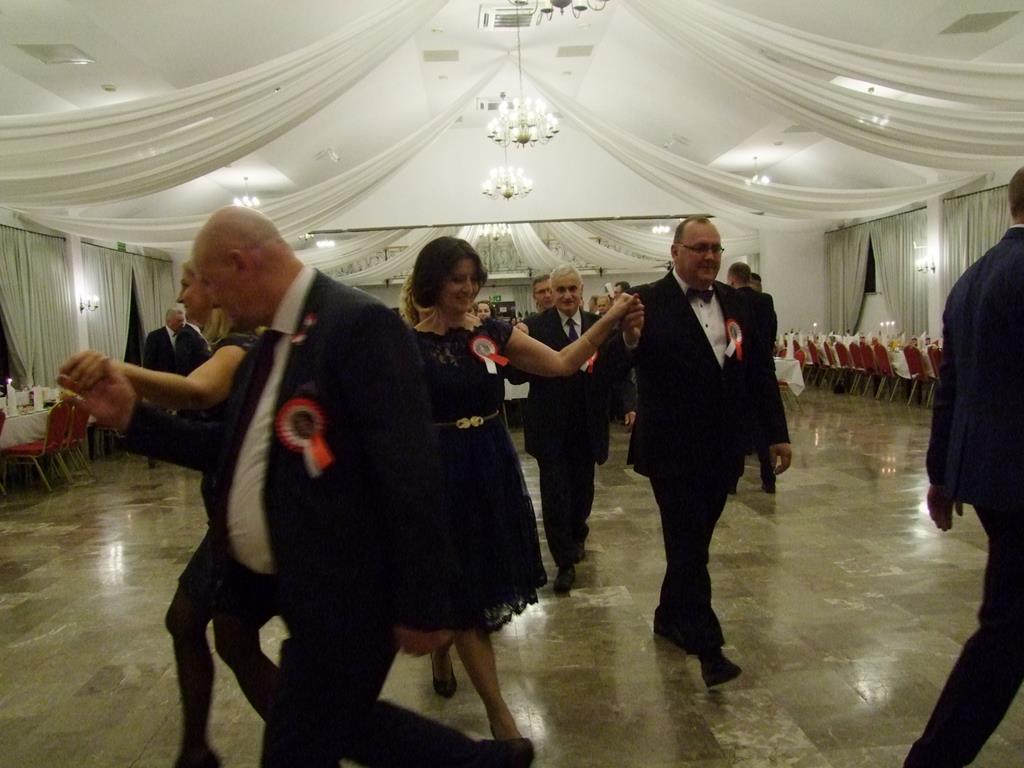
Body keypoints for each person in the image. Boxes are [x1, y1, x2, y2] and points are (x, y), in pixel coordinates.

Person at [60, 208, 534, 768]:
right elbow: (231, 451)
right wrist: (131, 419)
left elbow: (411, 467)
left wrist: (425, 599)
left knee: (306, 737)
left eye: (209, 281)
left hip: (352, 592)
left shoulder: (357, 325)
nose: (207, 299)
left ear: (242, 262)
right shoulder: (269, 345)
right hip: (304, 592)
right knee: (337, 726)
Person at [407, 237, 641, 740]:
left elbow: (562, 363)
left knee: (475, 581)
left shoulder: (492, 331)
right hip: (440, 470)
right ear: (432, 282)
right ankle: (500, 715)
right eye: (455, 279)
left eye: (473, 279)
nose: (467, 288)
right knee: (459, 586)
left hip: (489, 464)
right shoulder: (408, 344)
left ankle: (451, 651)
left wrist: (610, 319)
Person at [64, 263, 269, 768]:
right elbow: (214, 441)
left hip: (245, 521)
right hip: (231, 515)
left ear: (215, 290)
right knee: (199, 627)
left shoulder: (238, 347)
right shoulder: (238, 344)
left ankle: (309, 738)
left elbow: (196, 392)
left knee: (219, 635)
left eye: (187, 283)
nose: (181, 295)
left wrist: (116, 372)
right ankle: (199, 748)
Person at [617, 216, 791, 688]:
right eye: (699, 248)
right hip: (670, 448)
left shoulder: (739, 302)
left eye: (715, 248)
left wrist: (776, 433)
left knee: (693, 543)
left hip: (723, 445)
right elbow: (618, 362)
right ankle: (708, 648)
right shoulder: (645, 301)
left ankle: (667, 615)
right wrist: (630, 338)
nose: (709, 256)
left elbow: (758, 371)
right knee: (688, 545)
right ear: (675, 252)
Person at [904, 168, 1024, 768]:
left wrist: (940, 475)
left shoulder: (971, 278)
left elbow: (948, 388)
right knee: (1007, 632)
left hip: (988, 473)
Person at [507, 265, 628, 594]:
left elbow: (615, 370)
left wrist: (629, 404)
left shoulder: (598, 326)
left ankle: (577, 533)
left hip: (587, 427)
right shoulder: (534, 328)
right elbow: (515, 377)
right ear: (550, 292)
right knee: (555, 496)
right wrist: (516, 347)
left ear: (581, 291)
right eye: (559, 289)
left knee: (582, 493)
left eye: (572, 289)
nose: (566, 295)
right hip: (550, 429)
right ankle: (564, 562)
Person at [727, 261, 779, 494]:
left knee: (737, 426)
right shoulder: (765, 301)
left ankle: (732, 481)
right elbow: (771, 332)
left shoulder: (731, 301)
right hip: (762, 370)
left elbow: (731, 339)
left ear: (732, 280)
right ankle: (768, 477)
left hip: (738, 371)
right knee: (762, 426)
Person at [143, 308, 185, 373]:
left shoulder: (185, 336)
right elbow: (148, 363)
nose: (182, 324)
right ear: (169, 322)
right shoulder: (154, 337)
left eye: (183, 321)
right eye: (179, 321)